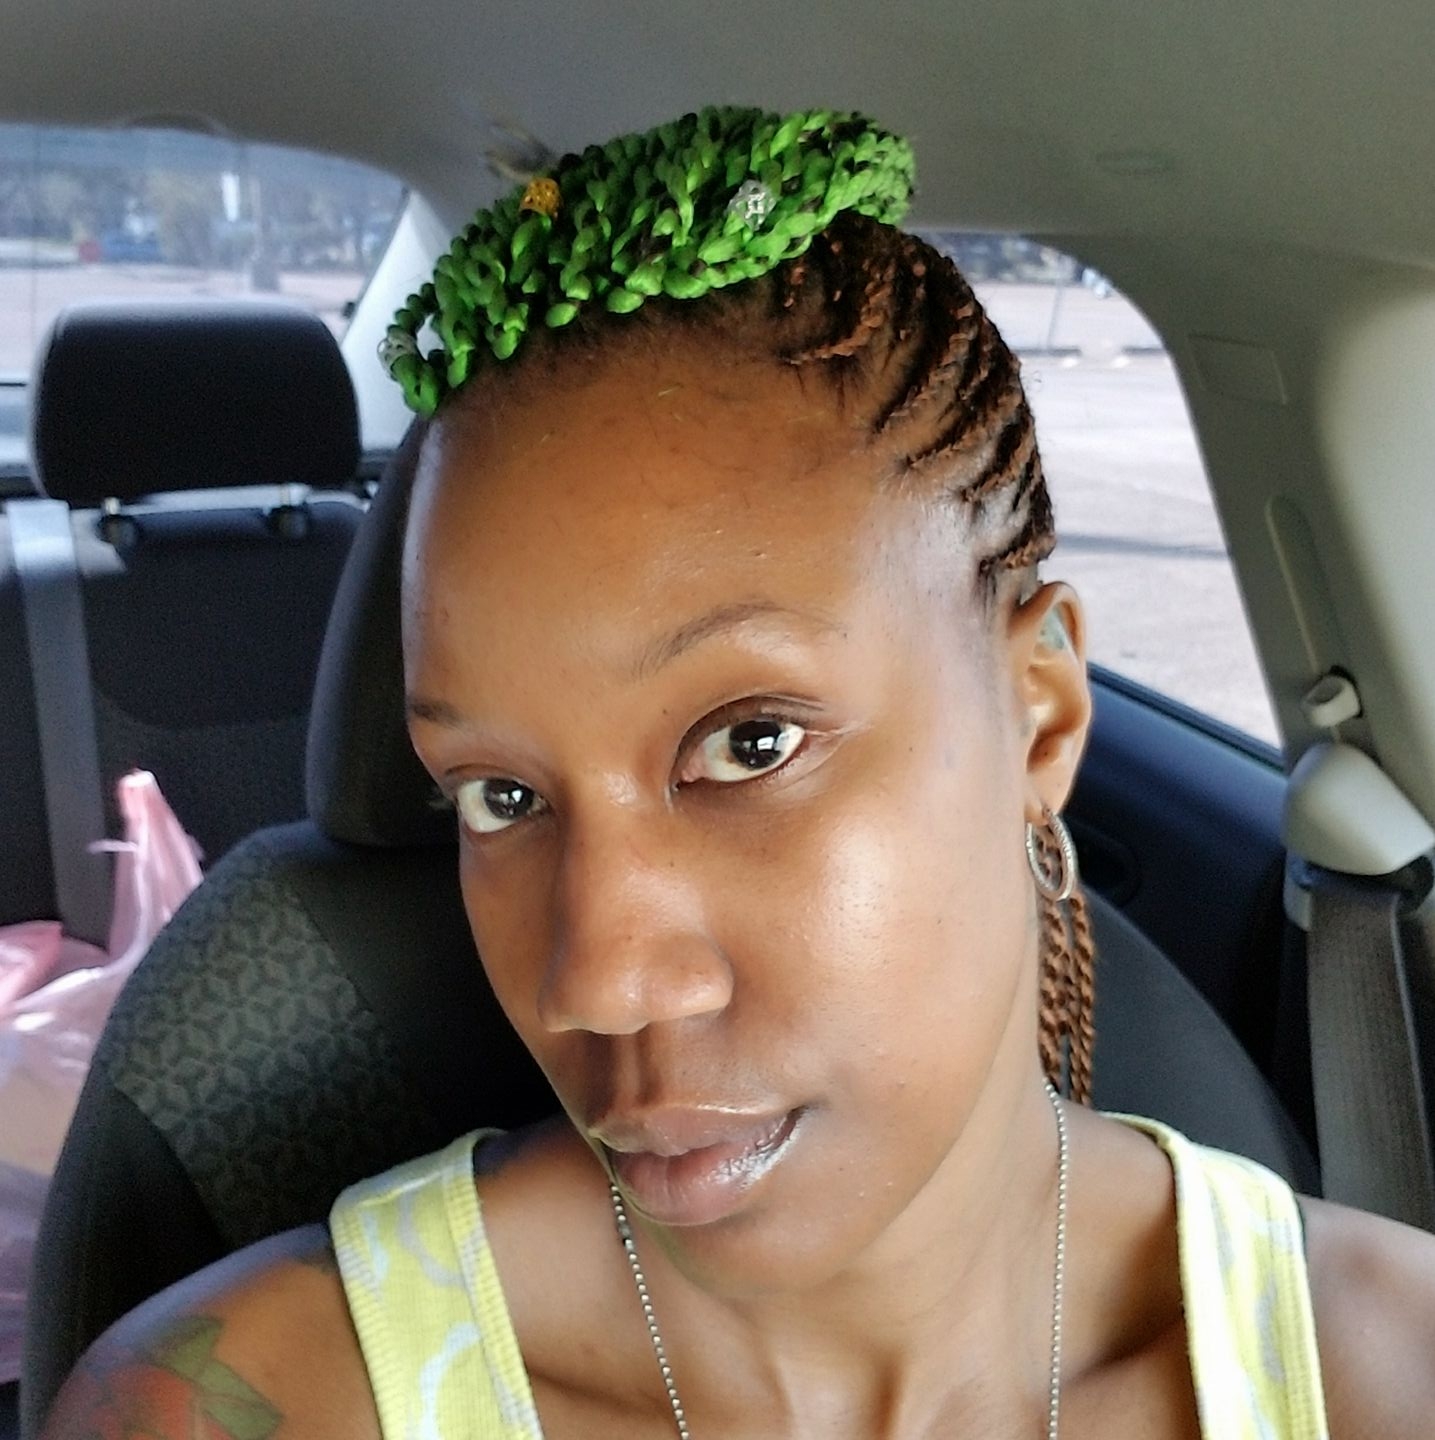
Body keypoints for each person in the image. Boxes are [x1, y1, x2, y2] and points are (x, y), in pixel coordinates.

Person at [39, 106, 1435, 1440]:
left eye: (751, 744)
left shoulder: (1388, 1374)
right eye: (500, 798)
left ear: (1042, 719)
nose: (600, 984)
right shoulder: (244, 1403)